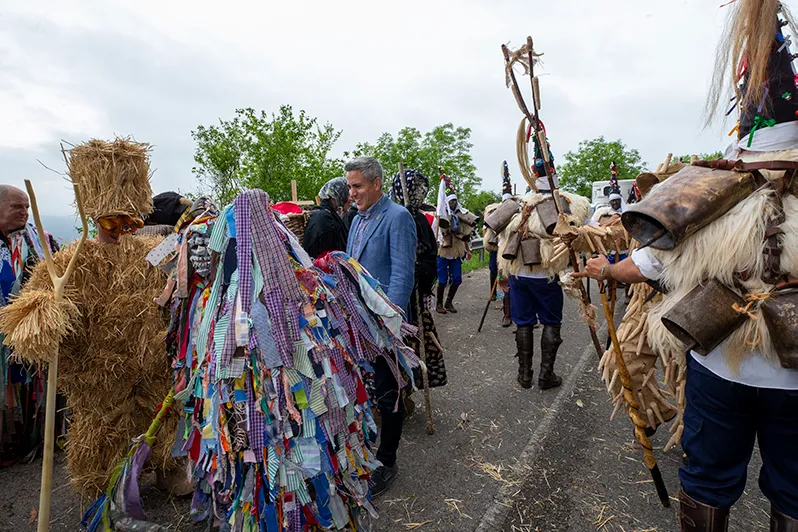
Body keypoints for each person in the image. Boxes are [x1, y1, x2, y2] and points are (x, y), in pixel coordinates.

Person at [576, 5, 798, 524]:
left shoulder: (706, 202)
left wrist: (606, 271)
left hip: (720, 368)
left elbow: (645, 266)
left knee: (707, 480)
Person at [345, 156, 417, 497]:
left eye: (357, 186)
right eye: (349, 186)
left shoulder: (398, 217)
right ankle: (364, 453)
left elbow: (402, 275)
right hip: (356, 321)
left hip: (383, 325)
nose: (352, 192)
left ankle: (387, 461)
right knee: (365, 389)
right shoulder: (356, 219)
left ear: (376, 184)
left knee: (389, 392)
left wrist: (389, 323)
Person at [0, 185, 59, 467]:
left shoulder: (40, 242)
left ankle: (34, 439)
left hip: (33, 331)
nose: (24, 213)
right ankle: (7, 443)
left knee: (34, 382)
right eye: (16, 207)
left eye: (26, 207)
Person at [391, 168, 447, 394]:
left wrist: (418, 274)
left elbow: (429, 255)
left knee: (414, 340)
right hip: (396, 294)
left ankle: (408, 387)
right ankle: (399, 390)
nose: (421, 193)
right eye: (417, 189)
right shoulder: (395, 216)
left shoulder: (418, 219)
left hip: (415, 293)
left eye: (423, 190)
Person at [433, 172, 473, 314]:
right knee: (442, 280)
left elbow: (466, 235)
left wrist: (468, 250)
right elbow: (434, 232)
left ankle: (449, 302)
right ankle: (439, 304)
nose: (453, 204)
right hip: (443, 252)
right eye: (450, 202)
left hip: (456, 251)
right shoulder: (439, 217)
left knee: (457, 279)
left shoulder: (461, 215)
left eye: (454, 201)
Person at [302, 177, 350, 259]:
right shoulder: (325, 220)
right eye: (348, 193)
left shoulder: (328, 215)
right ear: (340, 195)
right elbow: (325, 257)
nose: (351, 197)